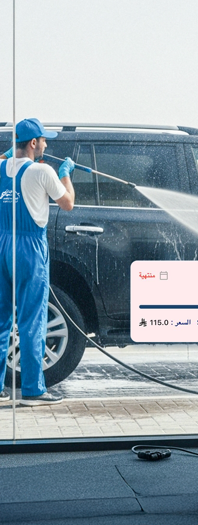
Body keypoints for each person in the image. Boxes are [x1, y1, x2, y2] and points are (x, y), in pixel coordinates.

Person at [0, 118, 75, 405]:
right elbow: (67, 203)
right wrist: (66, 173)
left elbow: (5, 159)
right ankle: (32, 390)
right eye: (44, 139)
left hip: (2, 245)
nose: (46, 144)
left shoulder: (2, 168)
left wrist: (9, 155)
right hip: (29, 248)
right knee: (32, 319)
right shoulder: (43, 171)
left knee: (1, 320)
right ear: (33, 143)